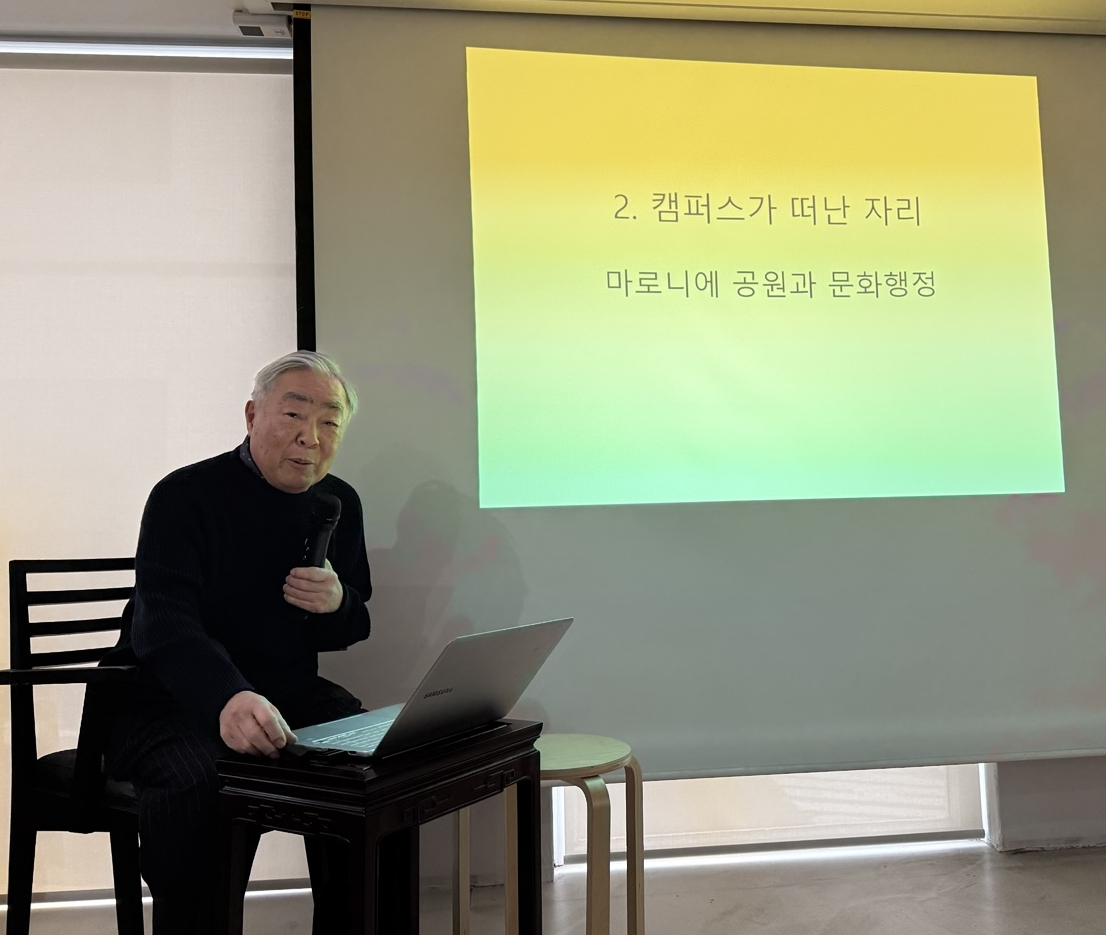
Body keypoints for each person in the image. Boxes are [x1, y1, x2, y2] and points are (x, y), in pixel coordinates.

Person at [99, 350, 372, 934]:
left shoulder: (338, 503)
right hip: (167, 700)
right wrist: (226, 695)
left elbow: (352, 625)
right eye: (293, 414)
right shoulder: (184, 495)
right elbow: (163, 624)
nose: (310, 437)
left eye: (329, 422)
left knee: (370, 758)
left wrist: (338, 602)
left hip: (284, 692)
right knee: (204, 782)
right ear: (252, 415)